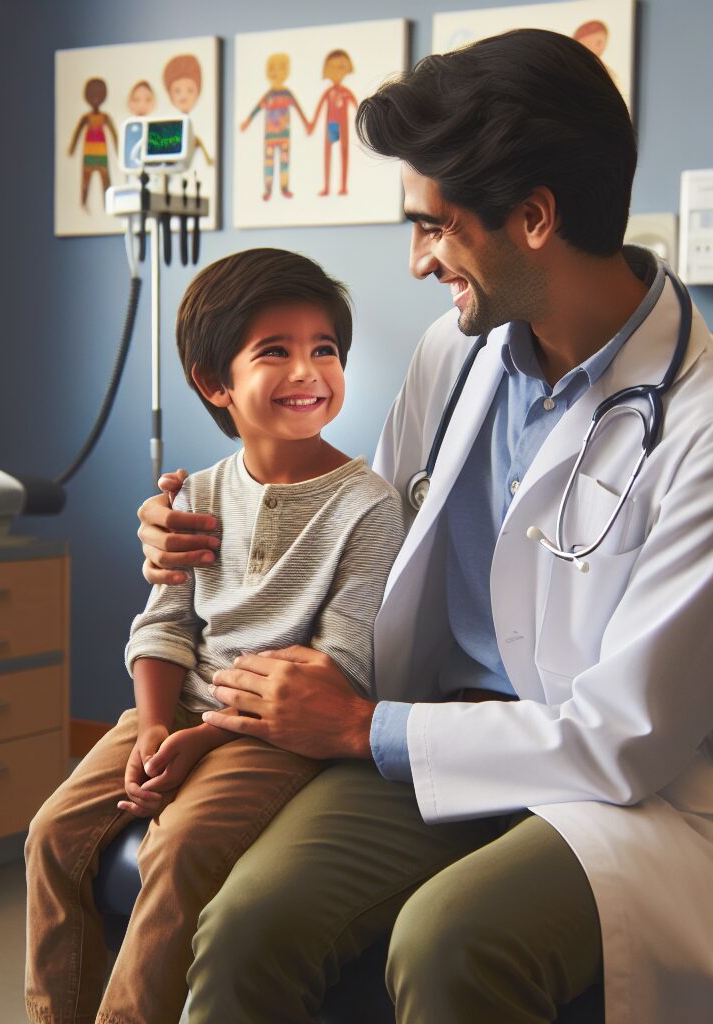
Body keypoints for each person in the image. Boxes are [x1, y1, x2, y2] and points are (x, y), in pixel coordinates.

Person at [137, 29, 713, 1024]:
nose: (414, 263)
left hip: (623, 788)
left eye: (433, 228)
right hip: (436, 727)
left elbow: (625, 738)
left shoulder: (697, 419)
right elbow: (365, 525)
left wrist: (365, 726)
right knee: (244, 924)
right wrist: (202, 532)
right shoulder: (460, 353)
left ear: (533, 217)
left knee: (451, 939)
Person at [25, 249, 405, 1024]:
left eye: (324, 350)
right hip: (178, 709)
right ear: (214, 382)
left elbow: (340, 662)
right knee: (52, 834)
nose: (308, 371)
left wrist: (203, 743)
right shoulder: (195, 495)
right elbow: (164, 625)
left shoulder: (368, 507)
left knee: (180, 846)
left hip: (275, 733)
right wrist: (159, 724)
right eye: (277, 351)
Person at [240, 53, 310, 200]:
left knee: (284, 162)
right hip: (270, 136)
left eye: (280, 69)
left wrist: (306, 123)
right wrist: (247, 121)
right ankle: (268, 189)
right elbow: (258, 107)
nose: (276, 73)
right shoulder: (269, 95)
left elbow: (298, 108)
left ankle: (284, 188)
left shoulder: (287, 93)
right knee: (269, 163)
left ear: (286, 72)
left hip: (284, 134)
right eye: (272, 69)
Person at [307, 48, 359, 196]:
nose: (336, 72)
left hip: (343, 126)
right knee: (328, 154)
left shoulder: (346, 92)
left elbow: (358, 108)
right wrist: (312, 124)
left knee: (343, 153)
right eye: (332, 68)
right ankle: (327, 186)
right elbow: (318, 109)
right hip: (331, 126)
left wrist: (363, 123)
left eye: (341, 67)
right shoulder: (328, 93)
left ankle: (343, 186)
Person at [67, 77, 118, 209]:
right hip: (89, 153)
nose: (95, 98)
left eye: (99, 95)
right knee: (85, 181)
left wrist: (119, 150)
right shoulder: (86, 117)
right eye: (92, 95)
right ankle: (83, 205)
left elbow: (114, 134)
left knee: (106, 181)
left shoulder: (105, 117)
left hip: (101, 153)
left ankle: (109, 205)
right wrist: (72, 149)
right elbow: (77, 132)